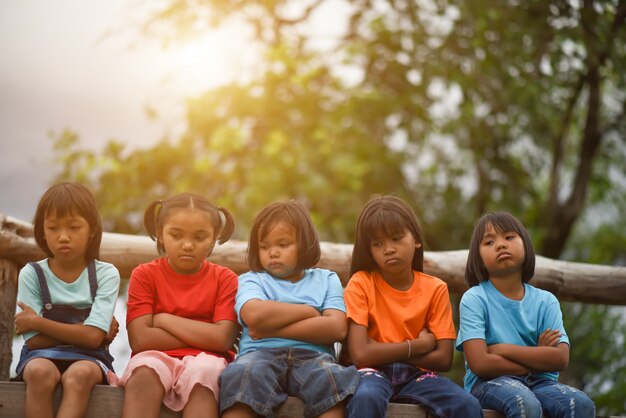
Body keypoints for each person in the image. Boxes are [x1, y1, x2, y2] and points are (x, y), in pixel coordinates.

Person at [343, 195, 483, 418]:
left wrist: (381, 350)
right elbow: (361, 355)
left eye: (397, 238)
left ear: (416, 239)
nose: (388, 249)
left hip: (417, 377)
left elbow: (444, 359)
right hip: (370, 374)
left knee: (466, 404)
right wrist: (417, 346)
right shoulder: (361, 283)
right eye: (377, 244)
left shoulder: (435, 289)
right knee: (366, 397)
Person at [219, 200, 360, 418]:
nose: (272, 253)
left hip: (314, 357)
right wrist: (309, 312)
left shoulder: (326, 278)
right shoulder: (251, 280)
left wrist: (272, 329)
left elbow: (337, 328)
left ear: (304, 244)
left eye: (283, 245)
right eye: (264, 247)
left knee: (331, 377)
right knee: (243, 374)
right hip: (258, 355)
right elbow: (254, 315)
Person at [457, 211, 595, 418]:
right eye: (489, 242)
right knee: (525, 403)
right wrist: (537, 355)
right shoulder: (475, 298)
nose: (501, 245)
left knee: (581, 403)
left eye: (509, 237)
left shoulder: (546, 301)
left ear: (526, 245)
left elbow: (559, 357)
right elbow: (480, 363)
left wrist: (500, 349)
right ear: (479, 258)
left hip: (542, 383)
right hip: (489, 383)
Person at [113, 192, 239, 418]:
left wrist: (163, 320)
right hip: (154, 355)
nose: (188, 245)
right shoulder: (145, 275)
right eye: (176, 235)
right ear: (160, 234)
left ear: (214, 237)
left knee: (206, 373)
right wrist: (204, 334)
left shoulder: (225, 279)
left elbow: (223, 339)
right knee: (144, 372)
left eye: (200, 237)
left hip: (208, 361)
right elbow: (141, 339)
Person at [14, 182, 120, 418]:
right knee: (40, 373)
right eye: (53, 228)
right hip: (39, 357)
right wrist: (87, 331)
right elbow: (35, 343)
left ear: (91, 229)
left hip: (91, 359)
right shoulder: (32, 274)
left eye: (74, 227)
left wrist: (39, 322)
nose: (63, 237)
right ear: (42, 231)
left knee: (78, 376)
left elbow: (93, 340)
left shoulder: (105, 274)